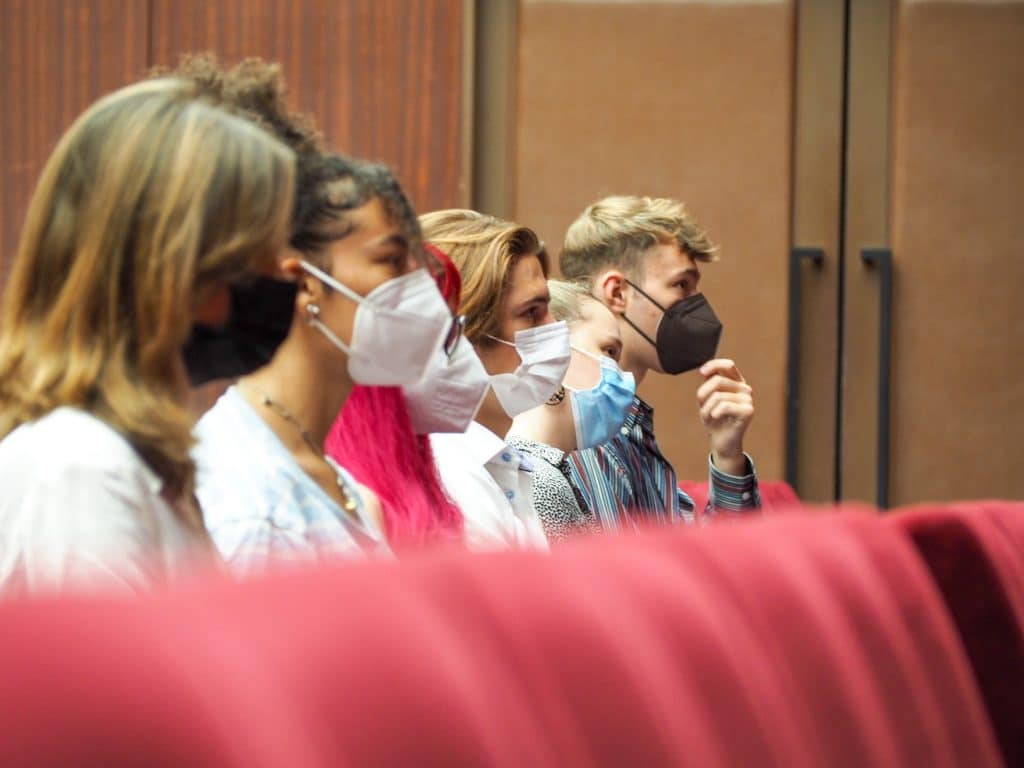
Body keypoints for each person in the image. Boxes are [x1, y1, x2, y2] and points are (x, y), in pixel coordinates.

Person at [0, 78, 296, 595]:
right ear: (178, 265)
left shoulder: (140, 457)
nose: (285, 271)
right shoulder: (83, 468)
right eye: (259, 252)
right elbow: (106, 675)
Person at [182, 59, 455, 572]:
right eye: (391, 261)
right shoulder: (246, 499)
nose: (416, 290)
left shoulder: (330, 477)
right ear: (305, 280)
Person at [559, 196, 760, 528]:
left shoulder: (630, 428)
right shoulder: (580, 433)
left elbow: (707, 565)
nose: (696, 309)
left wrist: (727, 455)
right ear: (617, 293)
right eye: (681, 285)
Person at [421, 210, 572, 551]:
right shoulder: (448, 476)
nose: (555, 328)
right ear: (461, 334)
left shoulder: (497, 461)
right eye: (531, 312)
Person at [324, 244, 468, 550]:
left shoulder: (415, 470)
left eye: (452, 334)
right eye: (438, 336)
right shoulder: (346, 499)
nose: (454, 357)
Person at [506, 280, 634, 541]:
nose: (621, 375)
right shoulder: (540, 481)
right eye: (609, 351)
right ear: (555, 348)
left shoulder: (543, 470)